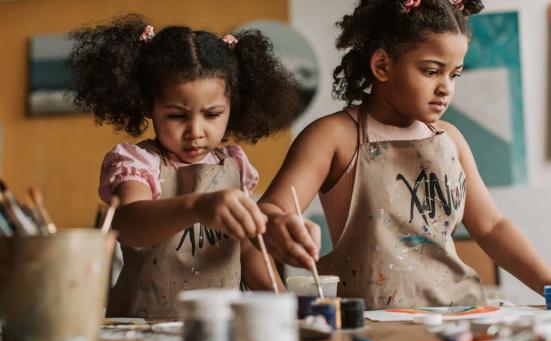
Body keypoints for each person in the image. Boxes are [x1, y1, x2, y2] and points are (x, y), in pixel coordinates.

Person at [259, 0, 551, 309]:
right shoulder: (333, 136)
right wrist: (280, 223)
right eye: (431, 71)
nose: (445, 88)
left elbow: (492, 227)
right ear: (382, 66)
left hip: (458, 315)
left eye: (454, 75)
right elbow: (268, 211)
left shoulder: (450, 139)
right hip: (374, 324)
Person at [68, 13, 298, 317]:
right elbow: (129, 224)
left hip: (219, 325)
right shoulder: (138, 163)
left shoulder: (234, 165)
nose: (196, 131)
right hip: (144, 326)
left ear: (233, 107)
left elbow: (247, 251)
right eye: (177, 116)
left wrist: (286, 305)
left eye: (212, 114)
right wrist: (198, 207)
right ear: (148, 106)